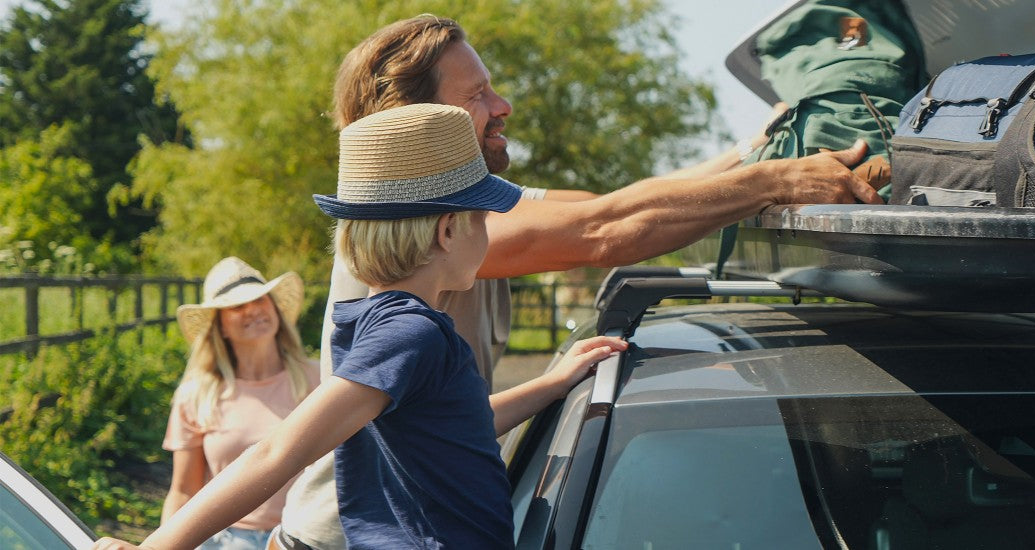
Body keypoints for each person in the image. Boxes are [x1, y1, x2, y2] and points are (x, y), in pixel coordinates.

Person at [278, 14, 885, 550]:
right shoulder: (424, 230)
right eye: (478, 94)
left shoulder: (466, 213)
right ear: (421, 124)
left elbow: (612, 205)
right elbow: (604, 231)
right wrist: (774, 182)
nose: (502, 105)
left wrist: (752, 154)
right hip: (346, 538)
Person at [93, 103, 626, 550]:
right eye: (484, 218)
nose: (489, 233)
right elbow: (279, 452)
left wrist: (552, 384)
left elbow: (452, 427)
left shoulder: (374, 326)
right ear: (447, 229)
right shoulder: (411, 334)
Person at [161, 257, 320, 549]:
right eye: (237, 306)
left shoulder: (321, 379)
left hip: (305, 538)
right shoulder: (197, 395)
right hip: (227, 541)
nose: (253, 310)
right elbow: (184, 490)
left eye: (261, 300)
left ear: (275, 309)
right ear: (220, 326)